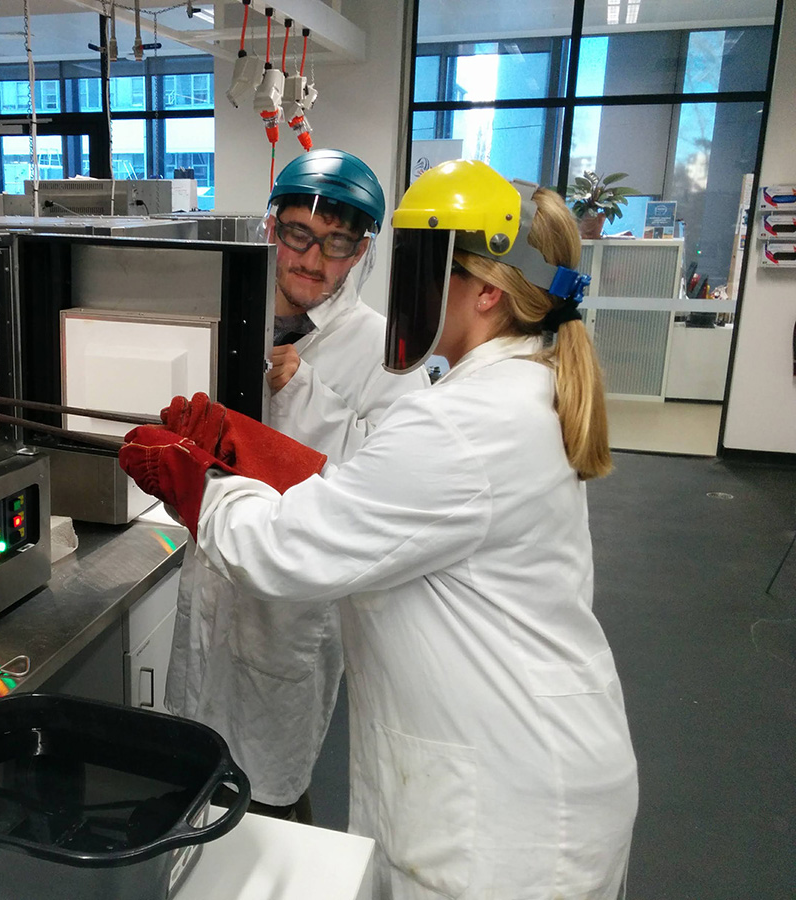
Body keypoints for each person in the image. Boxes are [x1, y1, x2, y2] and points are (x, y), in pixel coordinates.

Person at [122, 159, 639, 899]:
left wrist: (198, 481)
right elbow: (375, 500)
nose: (413, 290)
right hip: (519, 748)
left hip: (502, 805)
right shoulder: (514, 387)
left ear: (487, 291)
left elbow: (282, 549)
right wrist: (253, 447)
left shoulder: (463, 423)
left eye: (429, 268)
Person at [164, 149, 430, 823]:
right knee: (190, 763)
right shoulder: (226, 311)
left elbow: (389, 491)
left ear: (362, 250)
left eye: (338, 244)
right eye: (299, 235)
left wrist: (308, 399)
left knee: (272, 788)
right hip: (214, 565)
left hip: (292, 605)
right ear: (270, 229)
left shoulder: (385, 350)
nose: (314, 261)